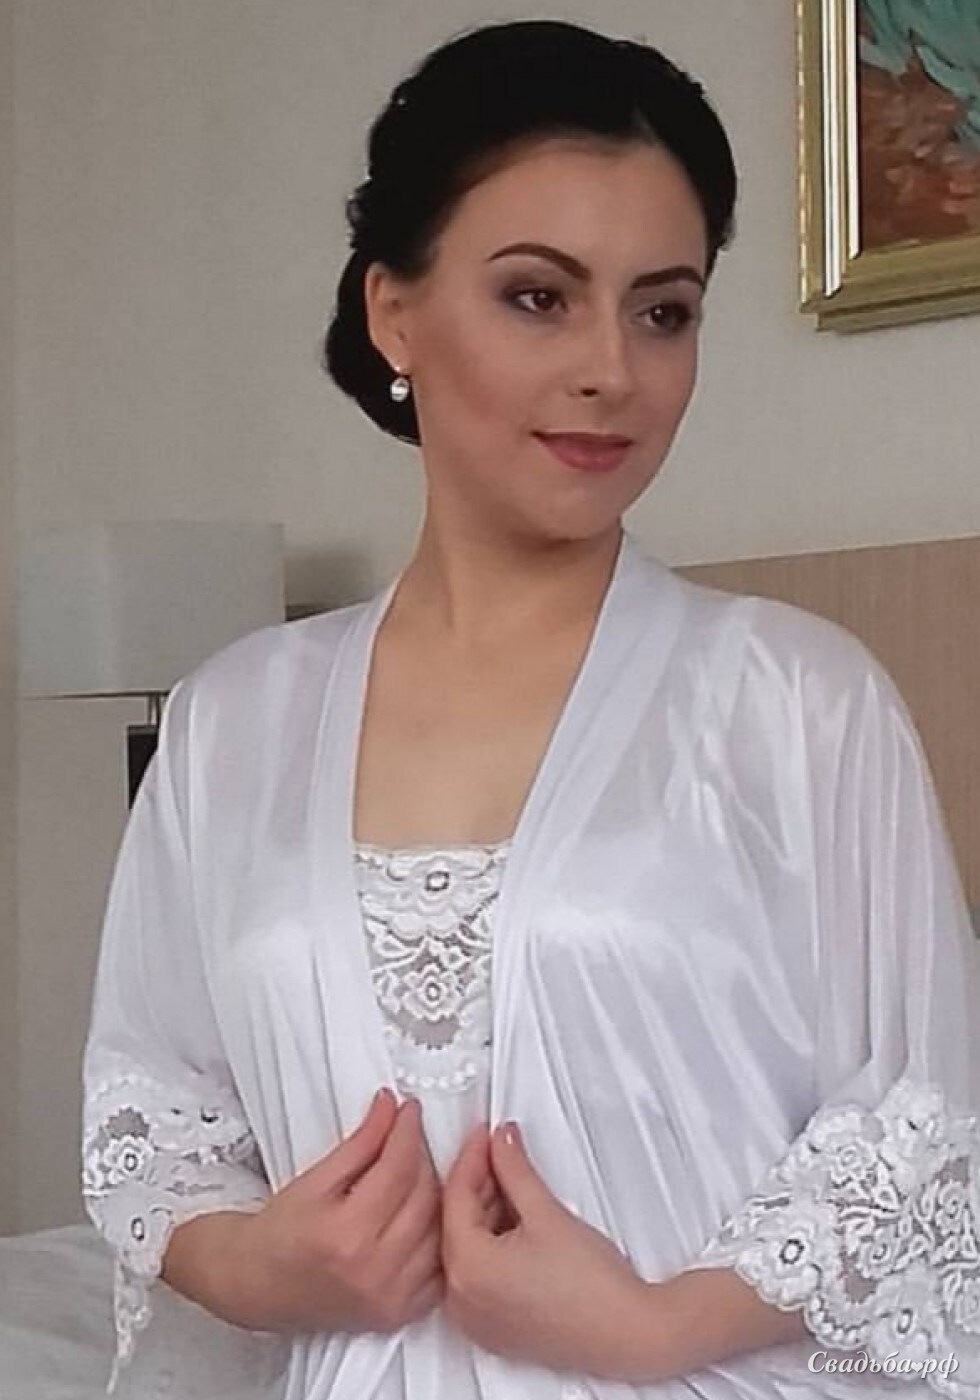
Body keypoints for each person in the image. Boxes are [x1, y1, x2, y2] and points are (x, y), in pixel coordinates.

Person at [80, 17, 980, 1400]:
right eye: (539, 296)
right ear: (394, 311)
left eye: (664, 310)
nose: (612, 367)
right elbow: (152, 1112)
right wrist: (259, 1267)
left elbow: (929, 1130)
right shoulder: (229, 727)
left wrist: (654, 1324)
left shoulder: (799, 703)